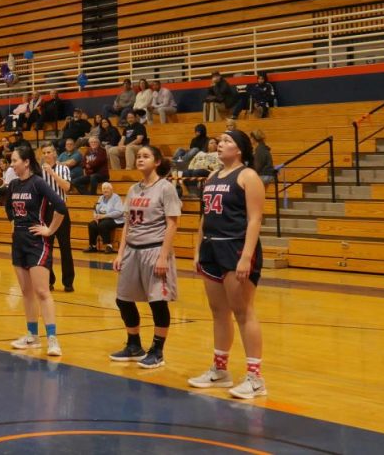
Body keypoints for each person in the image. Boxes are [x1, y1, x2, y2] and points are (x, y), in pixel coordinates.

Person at [188, 130, 268, 400]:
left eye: (226, 141)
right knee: (218, 311)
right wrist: (198, 248)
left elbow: (255, 220)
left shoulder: (248, 176)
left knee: (243, 311)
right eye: (219, 141)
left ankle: (255, 378)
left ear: (240, 149)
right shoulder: (211, 177)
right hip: (211, 246)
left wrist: (246, 256)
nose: (219, 144)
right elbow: (204, 216)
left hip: (235, 246)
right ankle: (220, 370)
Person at [109, 145, 182, 369]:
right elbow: (128, 223)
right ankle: (134, 345)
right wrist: (120, 253)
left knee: (157, 303)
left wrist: (163, 256)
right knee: (122, 299)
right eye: (138, 156)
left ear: (157, 161)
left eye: (145, 156)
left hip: (154, 249)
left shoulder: (166, 188)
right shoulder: (133, 190)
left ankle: (157, 351)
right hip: (132, 250)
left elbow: (172, 223)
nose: (140, 159)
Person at [5, 146, 69, 356]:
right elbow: (9, 210)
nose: (11, 164)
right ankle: (32, 336)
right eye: (11, 161)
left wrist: (50, 229)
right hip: (18, 241)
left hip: (36, 242)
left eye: (14, 161)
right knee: (26, 292)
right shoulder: (13, 184)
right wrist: (15, 227)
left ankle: (53, 339)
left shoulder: (38, 182)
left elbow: (61, 206)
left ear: (26, 162)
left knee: (42, 291)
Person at [39, 143, 75, 292]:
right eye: (44, 152)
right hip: (46, 211)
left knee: (65, 247)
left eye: (49, 152)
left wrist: (52, 174)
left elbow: (67, 187)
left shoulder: (63, 168)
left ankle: (68, 282)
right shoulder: (39, 172)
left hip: (61, 210)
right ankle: (48, 280)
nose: (47, 155)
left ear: (54, 153)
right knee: (47, 248)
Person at [85, 181, 124, 253]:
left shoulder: (116, 198)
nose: (105, 190)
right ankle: (93, 246)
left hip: (116, 219)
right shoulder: (101, 198)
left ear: (111, 190)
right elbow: (96, 209)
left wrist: (104, 216)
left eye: (107, 188)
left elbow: (119, 212)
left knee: (103, 224)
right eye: (103, 189)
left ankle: (109, 246)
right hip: (103, 218)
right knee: (91, 224)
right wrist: (95, 215)